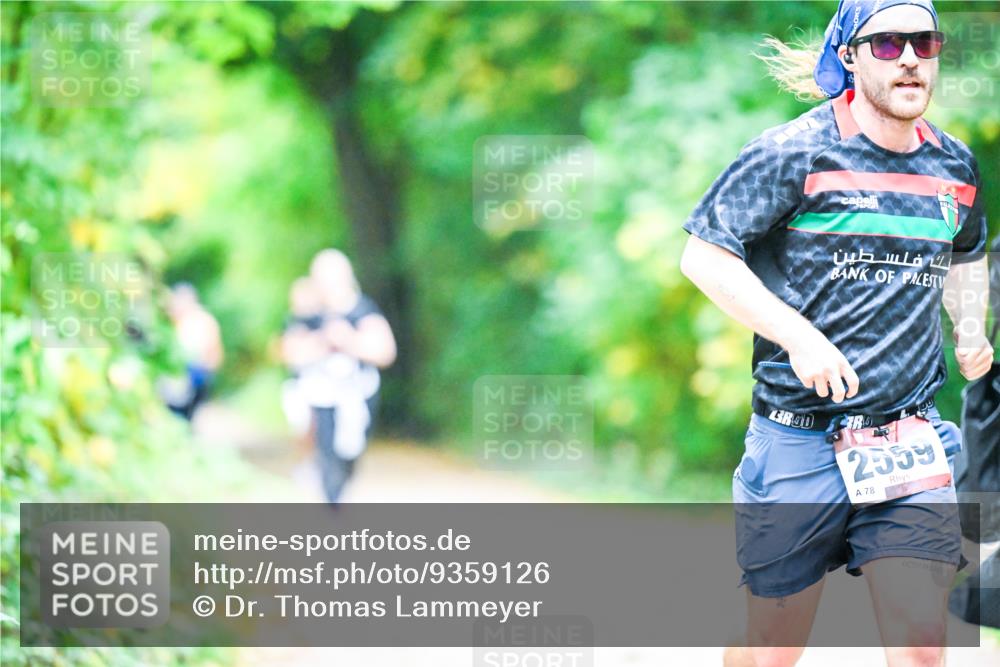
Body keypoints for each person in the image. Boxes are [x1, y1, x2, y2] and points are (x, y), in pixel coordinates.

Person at [679, 2, 992, 665]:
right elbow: (704, 256)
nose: (909, 57)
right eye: (886, 44)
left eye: (923, 41)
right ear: (849, 56)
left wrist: (970, 324)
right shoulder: (791, 151)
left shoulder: (954, 167)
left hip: (906, 442)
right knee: (774, 649)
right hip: (798, 436)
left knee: (920, 647)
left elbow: (967, 253)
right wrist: (800, 337)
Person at [280, 249, 396, 503]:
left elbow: (385, 351)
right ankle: (331, 506)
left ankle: (336, 498)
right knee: (326, 456)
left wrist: (349, 340)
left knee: (349, 455)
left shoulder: (363, 310)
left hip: (357, 397)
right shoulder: (307, 314)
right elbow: (289, 352)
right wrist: (321, 341)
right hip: (320, 397)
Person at [161, 283, 224, 420]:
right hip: (177, 379)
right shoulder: (172, 321)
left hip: (196, 376)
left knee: (185, 416)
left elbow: (215, 354)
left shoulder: (202, 321)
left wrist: (206, 371)